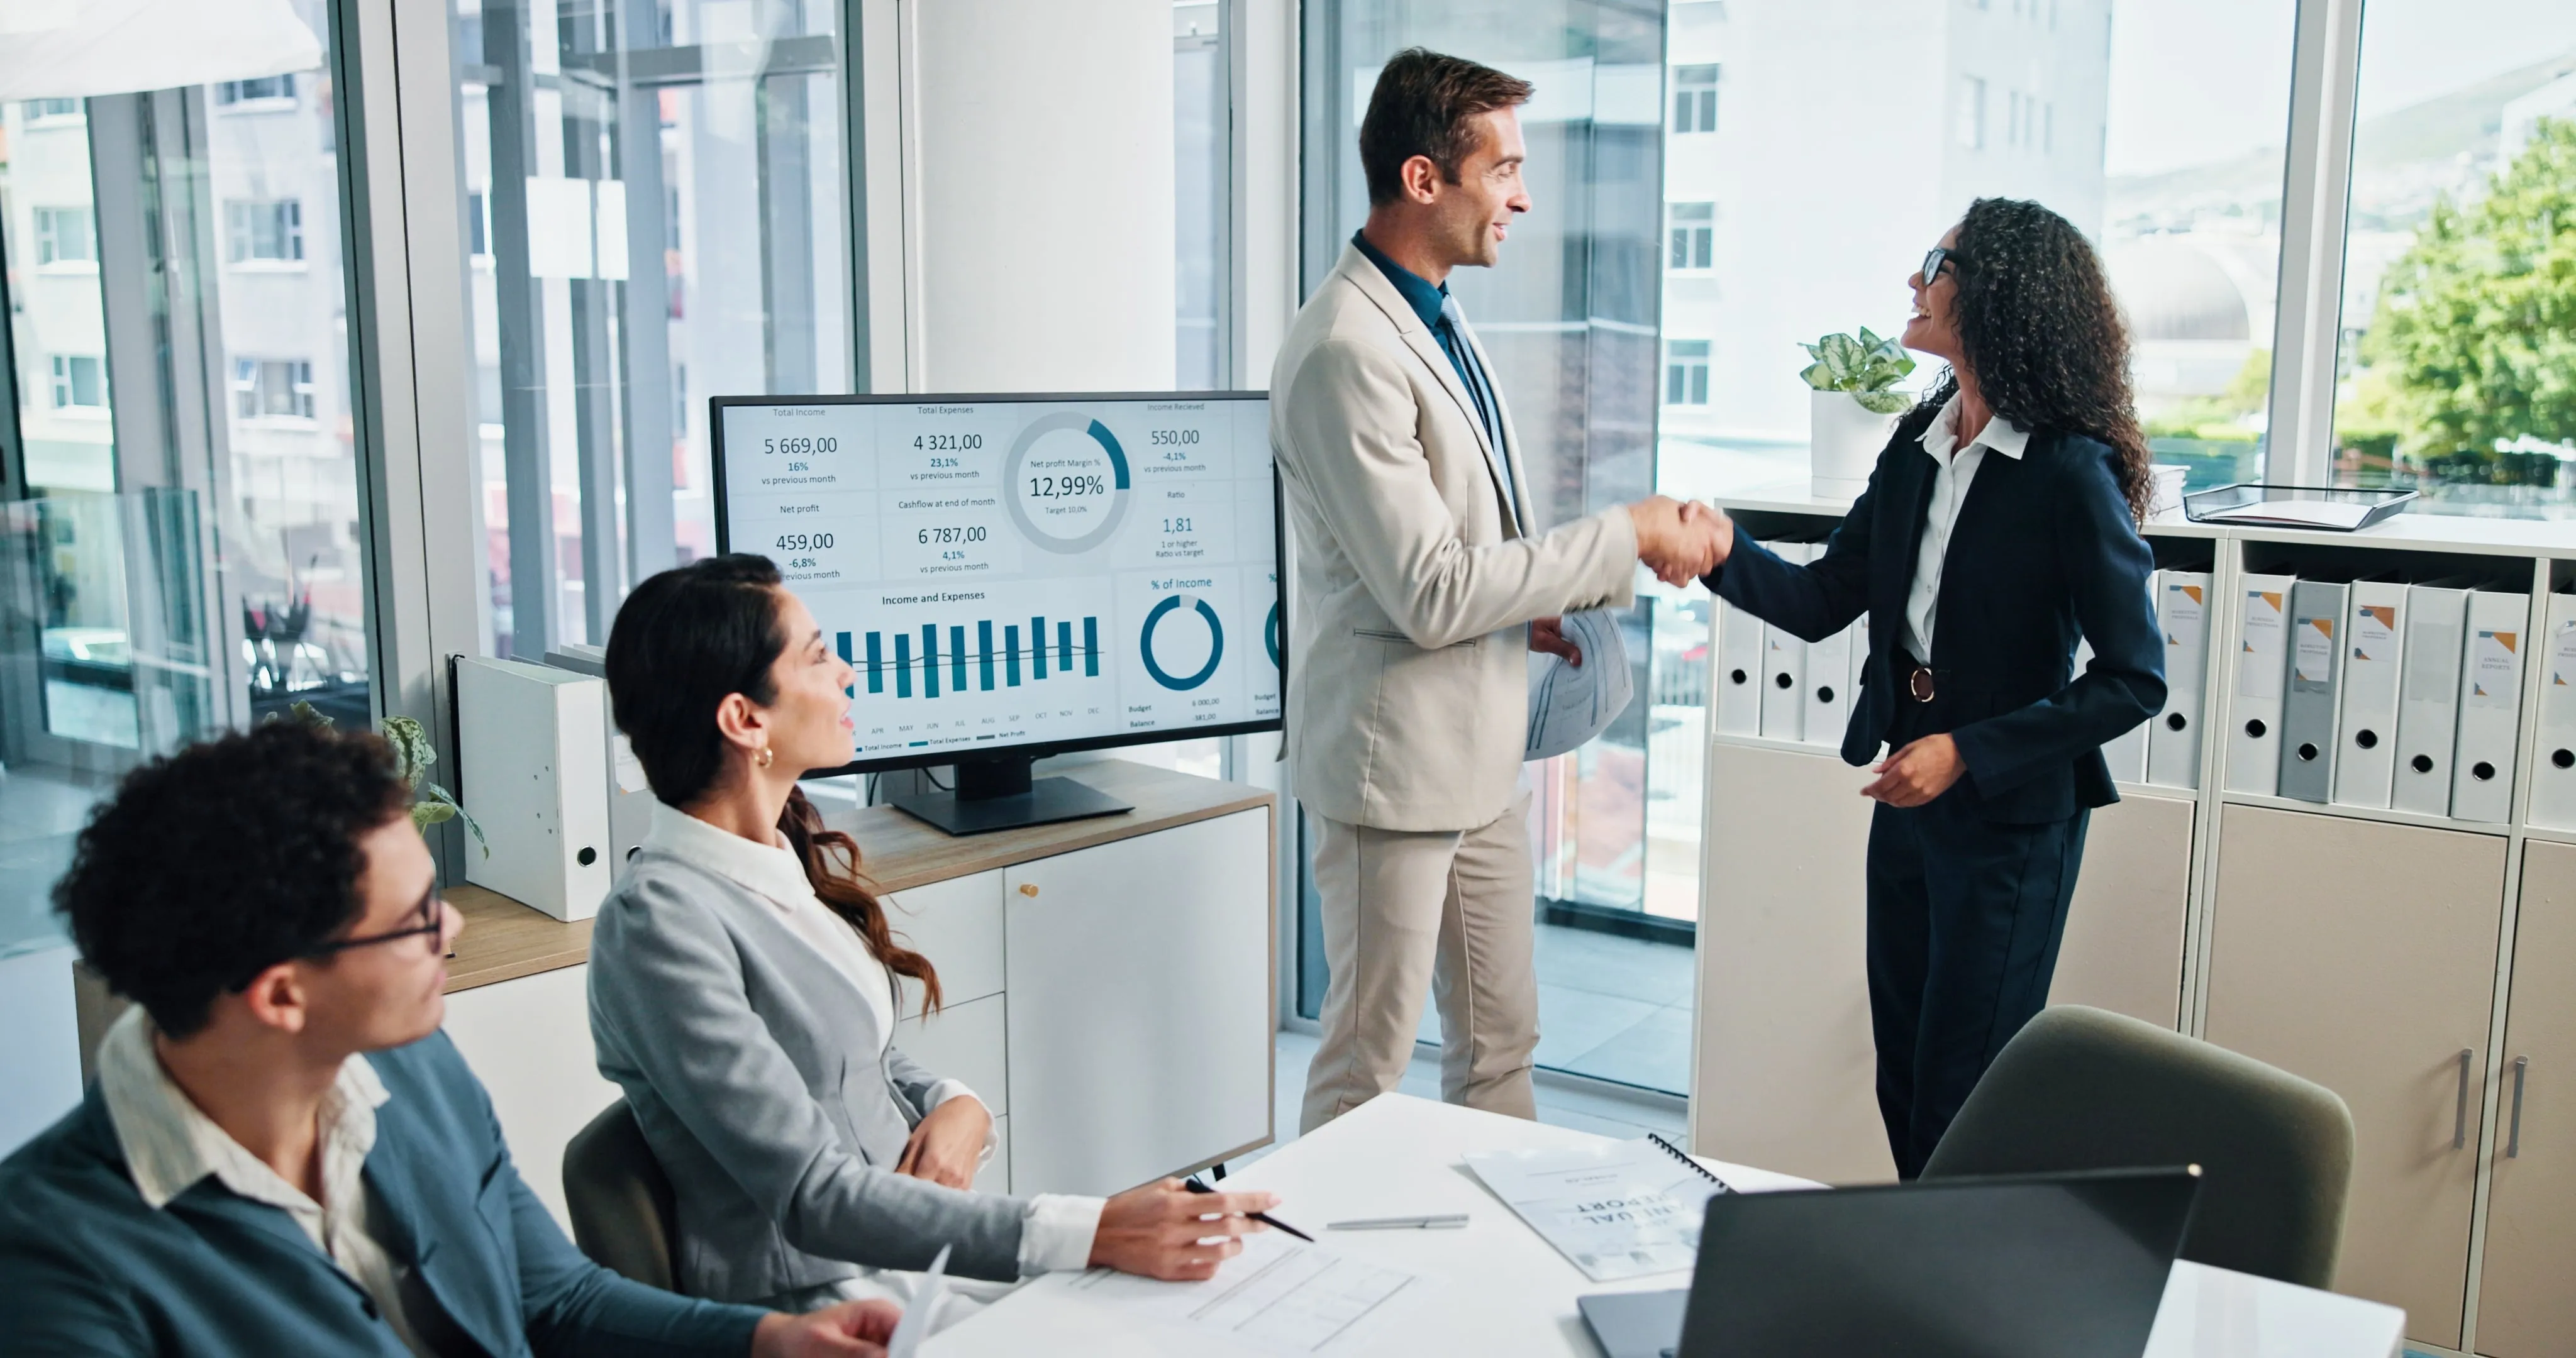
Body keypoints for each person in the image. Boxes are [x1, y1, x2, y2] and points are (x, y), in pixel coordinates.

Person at [0, 719, 902, 1357]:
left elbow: (551, 1298)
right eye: (414, 920)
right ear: (281, 995)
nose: (453, 929)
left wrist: (766, 1341)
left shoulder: (410, 1064)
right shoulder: (53, 1257)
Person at [587, 555, 1278, 1312]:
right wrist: (1097, 1229)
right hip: (831, 1301)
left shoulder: (773, 857)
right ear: (746, 719)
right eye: (818, 656)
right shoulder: (657, 925)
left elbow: (837, 1050)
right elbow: (815, 1196)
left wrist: (956, 1100)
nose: (847, 673)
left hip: (919, 1260)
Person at [1274, 47, 1725, 1134]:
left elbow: (1445, 546)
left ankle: (1490, 1275)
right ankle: (1326, 1273)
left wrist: (1535, 604)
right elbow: (1428, 589)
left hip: (1475, 751)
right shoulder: (1346, 348)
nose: (1523, 196)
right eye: (1504, 169)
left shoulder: (1435, 311)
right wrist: (1621, 536)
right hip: (1394, 768)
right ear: (1424, 179)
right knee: (1366, 1061)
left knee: (1502, 1042)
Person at [1694, 197, 2166, 1179]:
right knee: (1905, 1078)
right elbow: (1827, 597)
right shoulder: (1919, 441)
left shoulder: (2068, 471)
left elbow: (2134, 680)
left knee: (1969, 1090)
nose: (1915, 282)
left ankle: (1962, 1302)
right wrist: (1714, 549)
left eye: (1936, 265)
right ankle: (1925, 1279)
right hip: (1907, 802)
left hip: (2006, 816)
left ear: (1996, 292)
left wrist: (1968, 751)